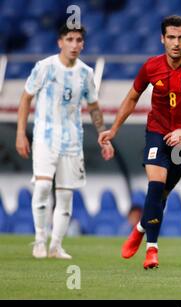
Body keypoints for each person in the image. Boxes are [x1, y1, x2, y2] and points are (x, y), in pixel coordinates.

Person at [98, 15, 181, 269]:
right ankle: (152, 251)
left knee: (161, 196)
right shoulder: (151, 67)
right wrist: (113, 129)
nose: (176, 43)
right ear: (162, 39)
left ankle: (139, 228)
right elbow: (132, 98)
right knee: (155, 187)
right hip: (157, 131)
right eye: (171, 37)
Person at [16, 25, 114, 259]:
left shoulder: (86, 73)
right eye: (69, 39)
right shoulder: (45, 67)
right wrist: (21, 133)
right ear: (60, 42)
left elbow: (93, 106)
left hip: (72, 139)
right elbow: (26, 97)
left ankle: (55, 246)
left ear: (83, 44)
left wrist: (104, 135)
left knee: (65, 195)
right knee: (41, 187)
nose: (74, 44)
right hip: (45, 136)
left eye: (78, 40)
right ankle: (39, 240)